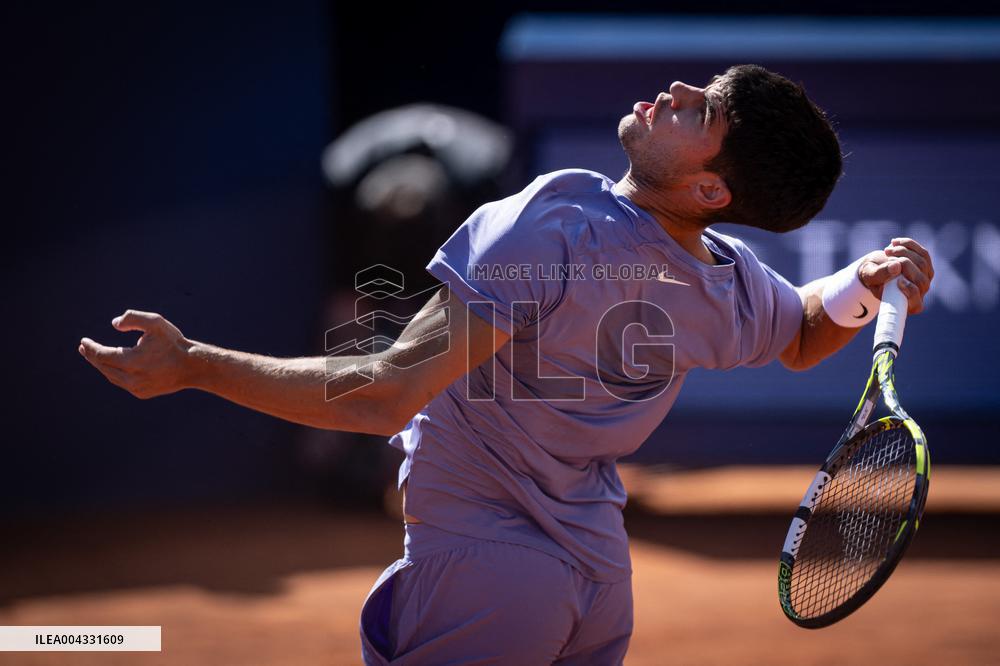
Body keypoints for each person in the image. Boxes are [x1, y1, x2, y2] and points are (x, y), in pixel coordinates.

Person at [79, 64, 935, 664]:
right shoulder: (728, 285)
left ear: (711, 190)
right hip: (597, 584)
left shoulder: (558, 216)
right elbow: (800, 335)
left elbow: (384, 396)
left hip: (483, 575)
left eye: (701, 113)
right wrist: (860, 287)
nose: (676, 93)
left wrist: (197, 364)